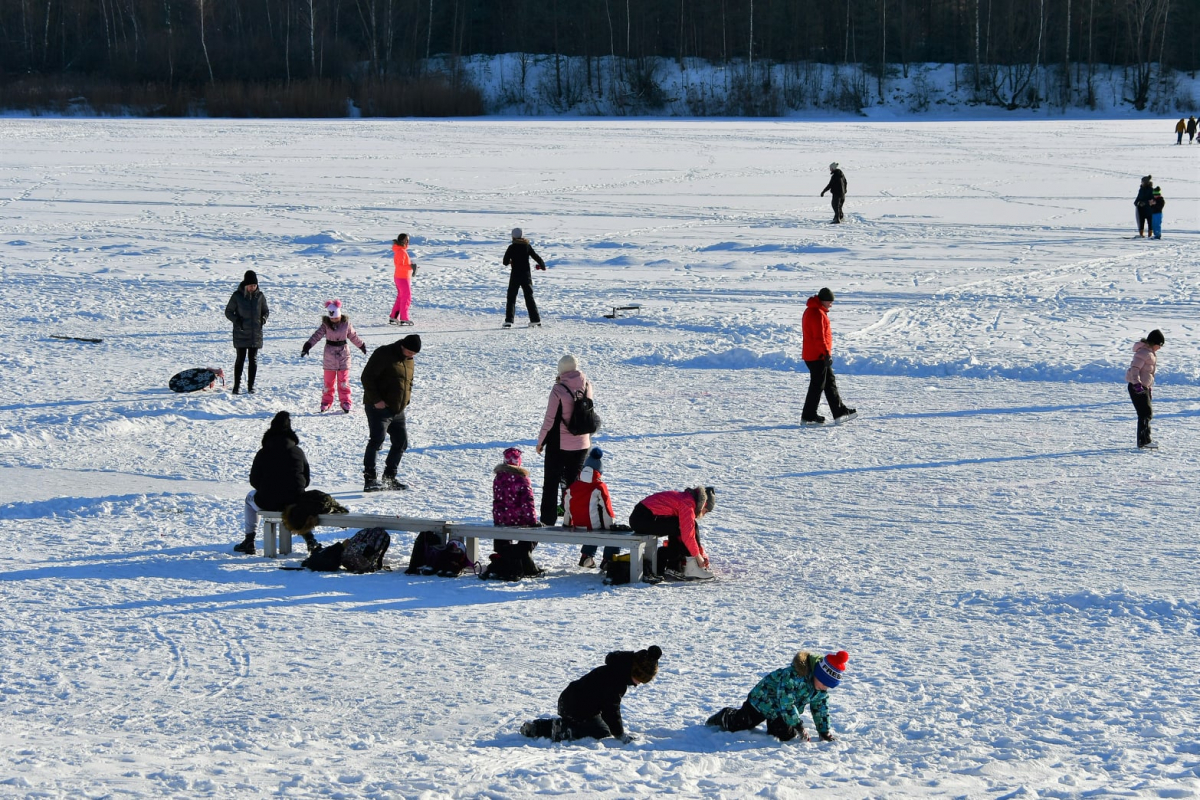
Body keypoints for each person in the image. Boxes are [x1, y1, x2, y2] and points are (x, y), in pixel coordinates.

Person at [520, 645, 662, 742]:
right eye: (639, 680)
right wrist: (620, 735)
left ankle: (546, 726)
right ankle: (561, 729)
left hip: (568, 699)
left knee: (600, 726)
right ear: (634, 672)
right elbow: (611, 711)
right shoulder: (616, 682)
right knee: (600, 732)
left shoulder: (617, 667)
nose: (637, 684)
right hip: (577, 708)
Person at [707, 650, 849, 742]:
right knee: (741, 724)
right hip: (762, 701)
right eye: (824, 682)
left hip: (781, 711)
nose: (825, 687)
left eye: (828, 685)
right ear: (817, 674)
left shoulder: (820, 690)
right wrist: (799, 725)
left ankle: (774, 723)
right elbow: (786, 703)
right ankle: (725, 715)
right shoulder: (793, 676)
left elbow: (821, 709)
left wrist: (824, 731)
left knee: (785, 734)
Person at [236, 411, 310, 555]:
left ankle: (249, 540)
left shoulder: (263, 452)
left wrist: (268, 488)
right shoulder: (298, 452)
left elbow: (254, 481)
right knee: (302, 502)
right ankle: (310, 539)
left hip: (267, 501)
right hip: (294, 502)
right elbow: (306, 481)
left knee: (249, 498)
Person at [535, 354, 594, 525]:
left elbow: (550, 419)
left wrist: (541, 442)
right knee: (574, 483)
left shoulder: (558, 390)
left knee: (551, 482)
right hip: (583, 442)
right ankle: (574, 517)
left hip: (559, 444)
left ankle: (548, 519)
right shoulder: (588, 385)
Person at [360, 333, 421, 491]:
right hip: (378, 407)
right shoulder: (384, 353)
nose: (411, 355)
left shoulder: (409, 360)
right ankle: (370, 479)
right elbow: (366, 377)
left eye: (414, 354)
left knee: (401, 442)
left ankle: (389, 478)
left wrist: (405, 400)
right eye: (410, 352)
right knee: (376, 441)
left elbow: (408, 381)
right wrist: (376, 400)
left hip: (397, 409)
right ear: (402, 346)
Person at [629, 486, 715, 580]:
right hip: (642, 519)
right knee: (683, 527)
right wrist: (698, 557)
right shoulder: (687, 503)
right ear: (703, 504)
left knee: (684, 525)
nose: (703, 515)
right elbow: (688, 536)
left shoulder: (687, 499)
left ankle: (675, 566)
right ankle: (683, 567)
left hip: (642, 516)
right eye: (705, 511)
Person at [801, 287, 856, 425]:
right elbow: (819, 337)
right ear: (824, 301)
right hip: (817, 355)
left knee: (828, 382)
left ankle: (839, 412)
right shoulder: (817, 313)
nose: (831, 304)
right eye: (830, 302)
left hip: (815, 354)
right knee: (818, 385)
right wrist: (826, 353)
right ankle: (808, 416)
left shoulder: (814, 310)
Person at [302, 299, 367, 413]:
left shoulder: (346, 324)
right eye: (332, 318)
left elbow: (353, 336)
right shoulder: (326, 325)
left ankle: (346, 402)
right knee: (329, 381)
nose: (334, 320)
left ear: (340, 315)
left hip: (343, 355)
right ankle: (326, 402)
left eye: (336, 318)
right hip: (329, 357)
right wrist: (307, 345)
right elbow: (317, 335)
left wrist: (361, 345)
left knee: (343, 381)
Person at [564, 447, 619, 569]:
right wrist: (611, 526)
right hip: (592, 525)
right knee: (614, 533)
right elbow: (606, 508)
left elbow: (567, 506)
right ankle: (608, 560)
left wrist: (567, 523)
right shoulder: (599, 486)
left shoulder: (574, 486)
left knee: (593, 527)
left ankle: (586, 557)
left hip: (577, 524)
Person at [492, 447, 541, 567]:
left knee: (501, 535)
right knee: (535, 531)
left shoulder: (498, 478)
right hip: (519, 518)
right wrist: (532, 521)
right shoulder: (522, 479)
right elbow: (528, 502)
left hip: (501, 518)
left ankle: (504, 553)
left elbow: (497, 499)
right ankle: (521, 553)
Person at [224, 269, 269, 395]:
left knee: (253, 360)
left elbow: (265, 311)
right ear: (245, 284)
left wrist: (263, 320)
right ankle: (236, 386)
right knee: (240, 359)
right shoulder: (237, 296)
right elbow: (228, 312)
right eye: (250, 286)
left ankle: (251, 386)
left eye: (254, 285)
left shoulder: (260, 296)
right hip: (241, 333)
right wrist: (237, 321)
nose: (252, 288)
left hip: (255, 333)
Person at [1126, 329, 1164, 450]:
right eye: (1160, 345)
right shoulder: (1144, 353)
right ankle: (1144, 441)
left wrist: (1148, 387)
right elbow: (1135, 369)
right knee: (1145, 413)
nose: (1160, 348)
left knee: (1146, 413)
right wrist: (1137, 384)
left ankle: (1145, 440)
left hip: (1143, 386)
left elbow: (1147, 372)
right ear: (1155, 343)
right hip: (1137, 387)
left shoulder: (1149, 352)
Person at [502, 227, 545, 328]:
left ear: (513, 236)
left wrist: (511, 261)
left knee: (511, 297)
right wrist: (542, 265)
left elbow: (505, 262)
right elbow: (537, 257)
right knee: (529, 297)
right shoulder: (527, 246)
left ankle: (509, 320)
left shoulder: (511, 247)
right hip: (526, 275)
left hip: (515, 276)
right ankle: (535, 320)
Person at [389, 233, 417, 326]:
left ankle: (394, 316)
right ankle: (404, 318)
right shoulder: (401, 252)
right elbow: (399, 266)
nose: (408, 242)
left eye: (408, 240)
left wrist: (411, 267)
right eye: (406, 240)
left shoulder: (401, 251)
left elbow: (402, 265)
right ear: (402, 241)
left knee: (401, 297)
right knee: (406, 297)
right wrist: (410, 267)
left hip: (402, 277)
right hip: (402, 278)